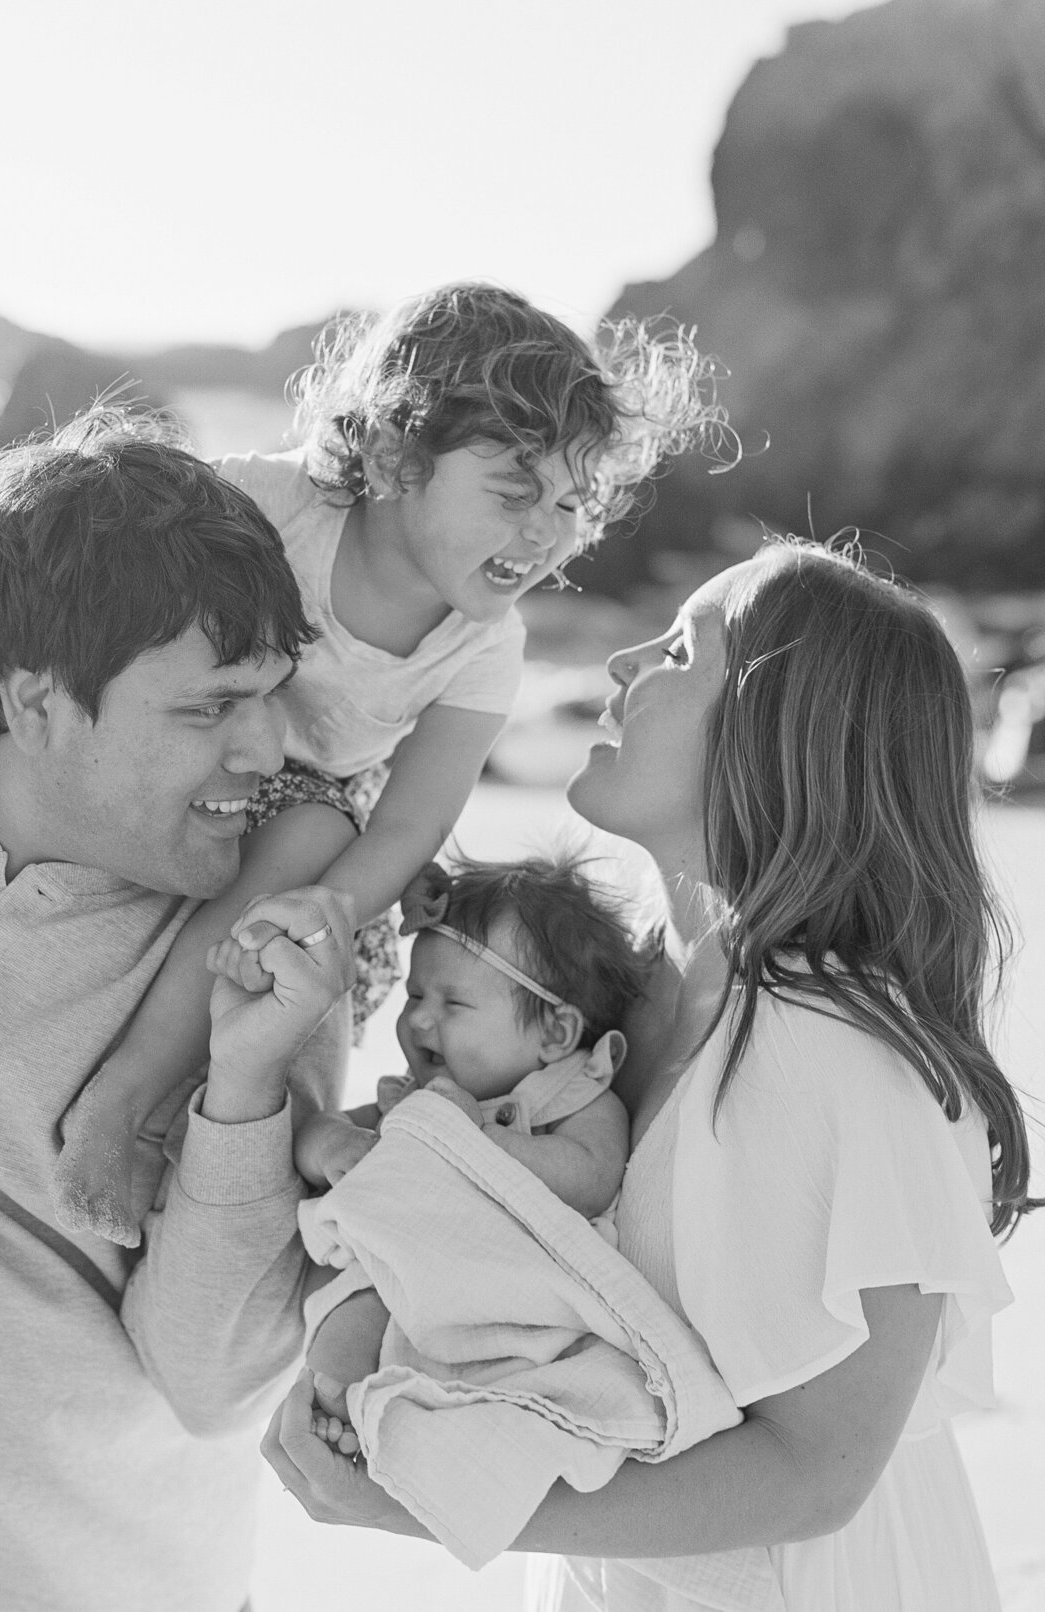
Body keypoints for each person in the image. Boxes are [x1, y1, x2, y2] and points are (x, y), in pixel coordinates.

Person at [263, 537, 1038, 1611]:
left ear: (778, 736)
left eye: (681, 647)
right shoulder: (631, 1007)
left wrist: (441, 1491)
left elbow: (820, 1474)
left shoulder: (847, 1057)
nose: (624, 658)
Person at [45, 281, 724, 1246]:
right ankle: (132, 1099)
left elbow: (412, 819)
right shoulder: (267, 510)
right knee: (303, 819)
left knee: (322, 836)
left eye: (571, 502)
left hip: (311, 810)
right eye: (514, 491)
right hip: (189, 751)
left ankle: (178, 1111)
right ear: (397, 458)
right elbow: (96, 548)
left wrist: (345, 903)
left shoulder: (486, 645)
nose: (546, 532)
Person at [0, 409, 356, 1612]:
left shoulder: (257, 958)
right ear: (33, 701)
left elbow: (221, 1383)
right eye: (206, 708)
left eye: (274, 695)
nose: (265, 751)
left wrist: (240, 1093)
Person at [274, 853, 650, 1452]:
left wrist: (475, 1139)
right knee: (353, 1302)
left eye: (454, 1004)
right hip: (412, 1281)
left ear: (555, 1034)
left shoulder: (572, 1095)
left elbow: (592, 1177)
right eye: (415, 993)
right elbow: (313, 1134)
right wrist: (336, 1147)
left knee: (561, 1361)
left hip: (520, 1289)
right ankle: (333, 1397)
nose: (420, 1019)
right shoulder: (417, 1100)